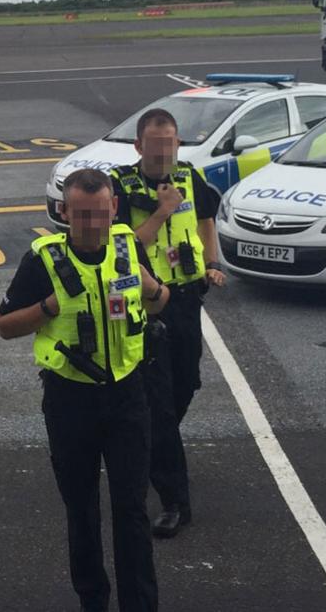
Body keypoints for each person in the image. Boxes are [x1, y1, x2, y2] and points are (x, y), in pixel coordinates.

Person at [0, 167, 170, 612]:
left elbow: (157, 302)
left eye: (99, 214)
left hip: (128, 396)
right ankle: (93, 600)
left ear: (113, 207)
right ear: (63, 212)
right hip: (70, 400)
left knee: (131, 510)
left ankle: (140, 604)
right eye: (81, 215)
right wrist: (48, 307)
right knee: (82, 510)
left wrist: (155, 291)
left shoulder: (130, 247)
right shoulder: (43, 258)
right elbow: (5, 326)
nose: (92, 225)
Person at [109, 108, 226, 539]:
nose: (164, 151)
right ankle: (175, 500)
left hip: (188, 300)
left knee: (185, 386)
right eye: (155, 144)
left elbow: (206, 220)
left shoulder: (191, 177)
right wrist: (161, 212)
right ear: (139, 146)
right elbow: (123, 245)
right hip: (149, 302)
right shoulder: (121, 187)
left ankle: (145, 445)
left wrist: (213, 263)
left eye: (171, 142)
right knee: (158, 404)